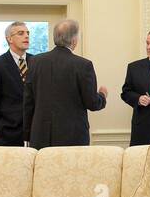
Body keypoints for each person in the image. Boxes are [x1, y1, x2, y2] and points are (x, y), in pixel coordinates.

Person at [23, 19, 108, 149]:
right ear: (74, 41)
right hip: (73, 137)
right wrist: (102, 95)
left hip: (40, 136)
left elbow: (28, 103)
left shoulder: (35, 62)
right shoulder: (84, 65)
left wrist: (27, 135)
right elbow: (92, 103)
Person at [0, 21, 38, 147]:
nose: (26, 36)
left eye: (27, 33)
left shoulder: (36, 62)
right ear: (9, 39)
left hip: (35, 131)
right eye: (21, 33)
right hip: (7, 133)